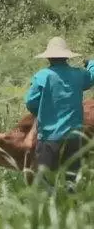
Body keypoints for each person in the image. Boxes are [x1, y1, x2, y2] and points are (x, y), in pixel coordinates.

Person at [24, 36, 94, 194]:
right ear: (67, 56)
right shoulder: (78, 75)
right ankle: (70, 208)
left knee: (44, 180)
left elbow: (30, 102)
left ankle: (52, 205)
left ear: (48, 57)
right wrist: (90, 64)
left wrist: (42, 112)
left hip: (49, 138)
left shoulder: (43, 76)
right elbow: (92, 77)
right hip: (74, 138)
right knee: (72, 180)